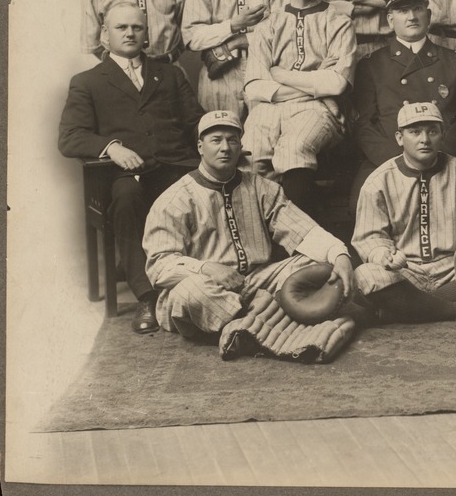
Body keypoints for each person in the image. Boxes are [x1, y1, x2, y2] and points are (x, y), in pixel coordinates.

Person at [143, 110, 357, 362]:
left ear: (240, 145)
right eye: (216, 140)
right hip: (208, 289)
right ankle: (272, 323)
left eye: (232, 140)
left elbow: (303, 231)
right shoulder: (176, 198)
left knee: (319, 264)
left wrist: (340, 255)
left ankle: (247, 326)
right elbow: (159, 266)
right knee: (190, 291)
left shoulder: (260, 187)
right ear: (200, 146)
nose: (225, 147)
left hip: (255, 283)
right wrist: (206, 268)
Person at [58, 2, 203, 334]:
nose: (129, 33)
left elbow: (195, 121)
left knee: (204, 188)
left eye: (136, 28)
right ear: (104, 36)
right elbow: (69, 137)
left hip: (176, 165)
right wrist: (111, 147)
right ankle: (147, 296)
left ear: (147, 34)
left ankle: (201, 286)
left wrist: (217, 137)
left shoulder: (169, 74)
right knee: (126, 196)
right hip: (125, 175)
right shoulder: (88, 82)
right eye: (121, 28)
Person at [351, 103, 456, 323]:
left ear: (442, 135)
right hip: (405, 273)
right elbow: (371, 236)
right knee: (365, 276)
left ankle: (408, 310)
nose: (424, 139)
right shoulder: (378, 181)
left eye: (432, 131)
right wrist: (383, 255)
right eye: (415, 132)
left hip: (455, 270)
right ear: (399, 137)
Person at [242, 0, 356, 214]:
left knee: (293, 147)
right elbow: (255, 87)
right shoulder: (268, 24)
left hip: (320, 109)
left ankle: (303, 245)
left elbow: (338, 83)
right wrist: (315, 81)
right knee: (251, 151)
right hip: (270, 106)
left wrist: (281, 75)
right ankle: (261, 240)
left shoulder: (339, 21)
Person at [351, 0, 456, 206]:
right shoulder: (371, 65)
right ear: (391, 20)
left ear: (429, 16)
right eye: (403, 11)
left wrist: (436, 157)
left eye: (417, 9)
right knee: (362, 206)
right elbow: (363, 124)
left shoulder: (455, 62)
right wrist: (400, 162)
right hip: (388, 159)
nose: (412, 17)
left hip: (446, 158)